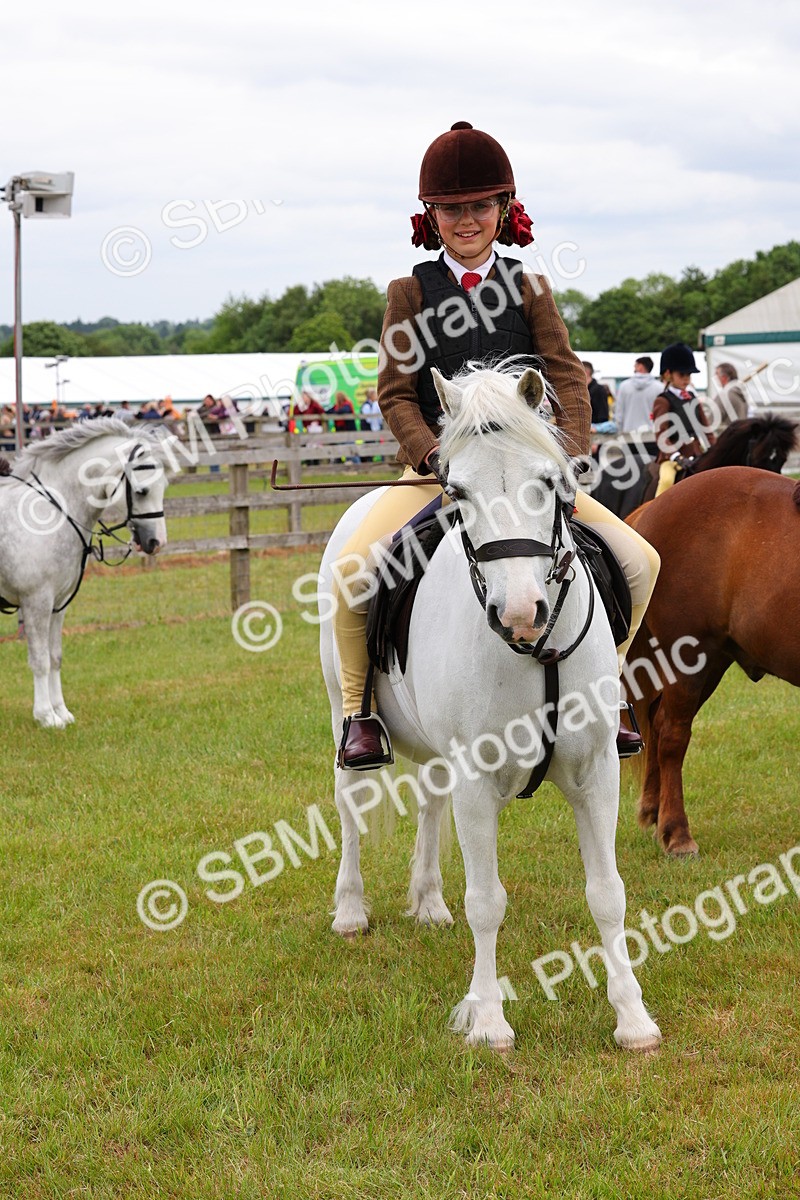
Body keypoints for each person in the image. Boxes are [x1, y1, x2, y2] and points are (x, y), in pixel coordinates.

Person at [331, 120, 660, 769]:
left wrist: (568, 450)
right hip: (437, 474)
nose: (466, 219)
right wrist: (434, 455)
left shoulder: (530, 287)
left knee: (641, 561)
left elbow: (564, 370)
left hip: (529, 475)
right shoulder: (411, 293)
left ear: (502, 210)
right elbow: (396, 392)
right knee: (353, 573)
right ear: (431, 215)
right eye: (452, 209)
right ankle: (358, 712)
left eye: (479, 206)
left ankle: (610, 688)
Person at [652, 342, 715, 496]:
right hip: (671, 457)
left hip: (695, 453)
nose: (686, 379)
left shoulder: (692, 398)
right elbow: (662, 435)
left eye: (688, 375)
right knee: (666, 480)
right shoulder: (663, 400)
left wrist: (716, 449)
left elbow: (706, 430)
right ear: (668, 374)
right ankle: (655, 513)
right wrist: (676, 456)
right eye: (682, 375)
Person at [614, 357, 662, 433]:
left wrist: (619, 430)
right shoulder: (659, 387)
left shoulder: (624, 386)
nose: (634, 367)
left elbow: (619, 413)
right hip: (652, 433)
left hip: (628, 433)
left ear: (640, 366)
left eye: (635, 365)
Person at [582, 362, 610, 427]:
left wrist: (599, 428)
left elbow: (603, 414)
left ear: (586, 372)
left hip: (596, 430)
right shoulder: (582, 390)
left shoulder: (599, 389)